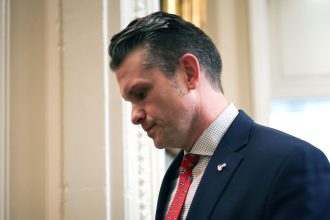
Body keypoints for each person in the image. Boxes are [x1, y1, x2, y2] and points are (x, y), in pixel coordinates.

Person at [108, 11, 330, 220]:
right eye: (131, 101)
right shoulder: (175, 174)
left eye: (141, 93)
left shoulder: (292, 162)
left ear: (189, 73)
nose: (134, 116)